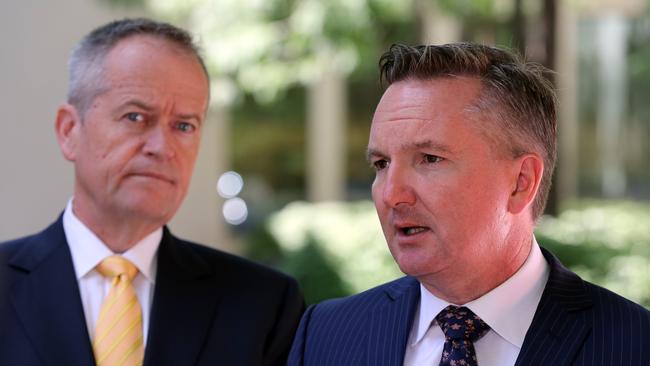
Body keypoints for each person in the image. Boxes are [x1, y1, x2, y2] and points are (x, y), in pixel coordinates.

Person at [288, 43, 650, 366]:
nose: (391, 195)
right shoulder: (324, 334)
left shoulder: (634, 346)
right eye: (381, 164)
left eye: (429, 158)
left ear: (521, 182)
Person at [0, 18, 303, 366]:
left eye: (184, 125)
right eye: (135, 117)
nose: (162, 147)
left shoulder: (263, 305)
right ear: (70, 130)